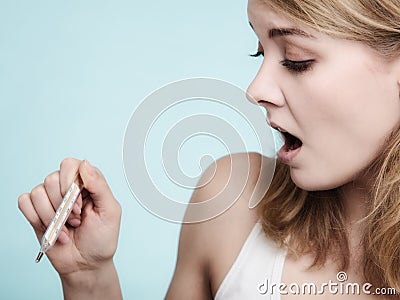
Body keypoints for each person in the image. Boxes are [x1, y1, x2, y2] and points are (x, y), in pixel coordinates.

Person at [18, 0, 400, 299]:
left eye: (296, 60)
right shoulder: (232, 202)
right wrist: (88, 278)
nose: (256, 90)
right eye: (259, 52)